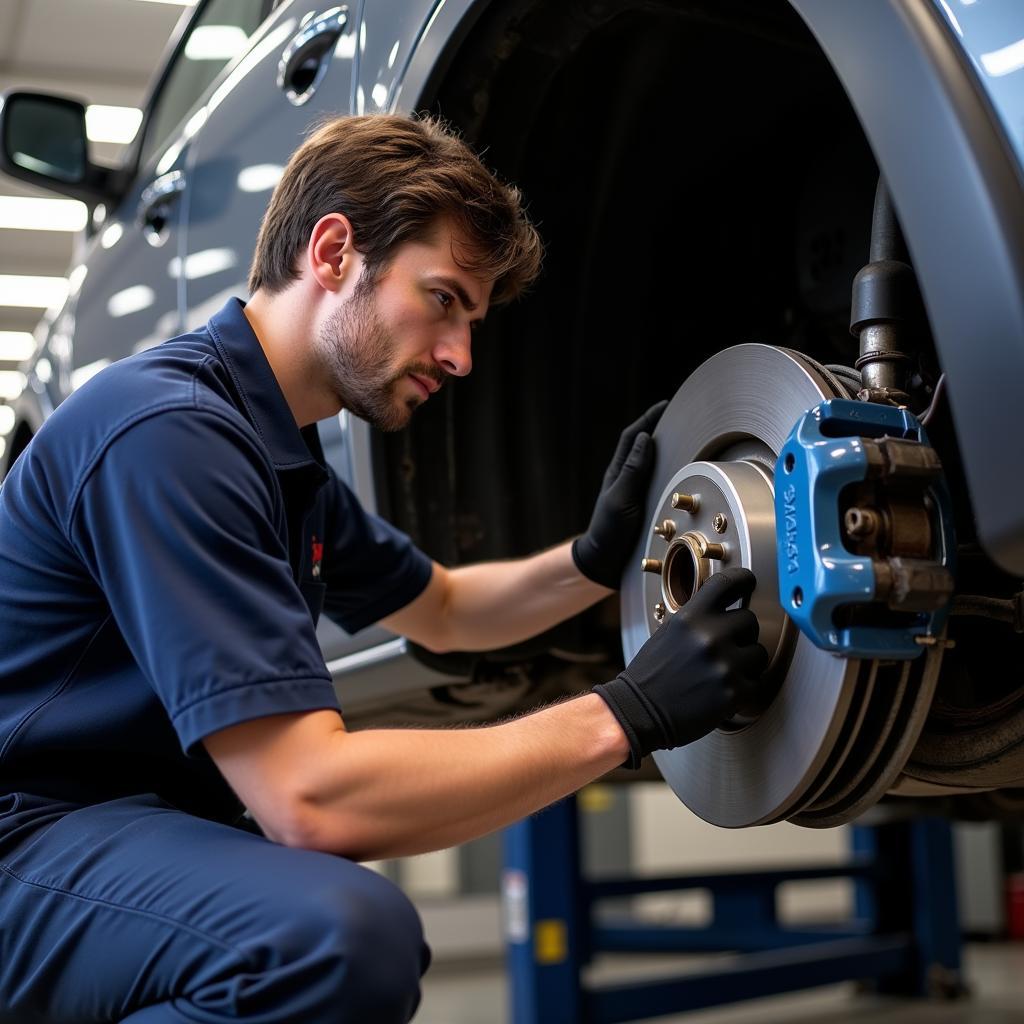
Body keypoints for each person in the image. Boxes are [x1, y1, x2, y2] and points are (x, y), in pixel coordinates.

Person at [0, 114, 767, 1023]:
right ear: (332, 252)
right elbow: (308, 801)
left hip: (115, 832)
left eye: (472, 321)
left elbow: (443, 608)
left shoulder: (278, 454)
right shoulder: (169, 432)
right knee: (332, 939)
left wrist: (595, 563)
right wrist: (625, 714)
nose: (461, 357)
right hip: (27, 841)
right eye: (443, 299)